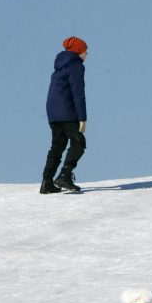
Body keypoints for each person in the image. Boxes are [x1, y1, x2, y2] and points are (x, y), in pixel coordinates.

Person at [40, 36, 88, 193]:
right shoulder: (76, 66)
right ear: (78, 51)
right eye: (85, 51)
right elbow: (78, 93)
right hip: (67, 112)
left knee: (57, 146)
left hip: (53, 113)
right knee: (79, 142)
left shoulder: (59, 67)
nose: (86, 54)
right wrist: (82, 118)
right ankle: (64, 176)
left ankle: (46, 183)